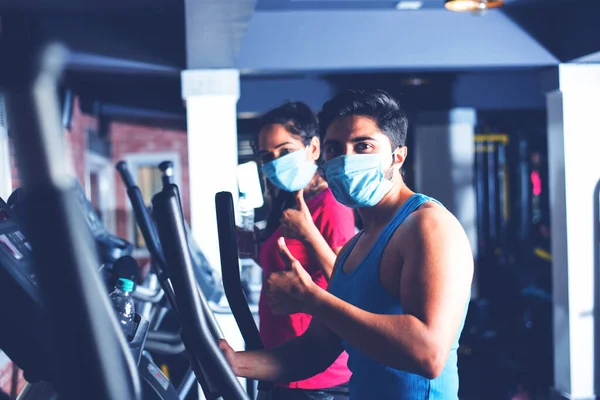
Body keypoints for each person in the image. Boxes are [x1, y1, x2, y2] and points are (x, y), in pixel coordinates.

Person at [221, 90, 474, 399]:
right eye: (334, 149)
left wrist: (314, 300)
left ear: (398, 155)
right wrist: (232, 362)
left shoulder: (427, 226)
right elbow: (314, 351)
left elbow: (428, 355)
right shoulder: (353, 248)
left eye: (363, 146)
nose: (346, 159)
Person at [245, 102, 355, 399]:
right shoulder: (289, 202)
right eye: (267, 156)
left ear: (314, 148)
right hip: (282, 358)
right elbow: (293, 263)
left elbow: (345, 279)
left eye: (285, 151)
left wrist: (308, 233)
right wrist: (255, 248)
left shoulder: (331, 204)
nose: (276, 162)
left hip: (316, 371)